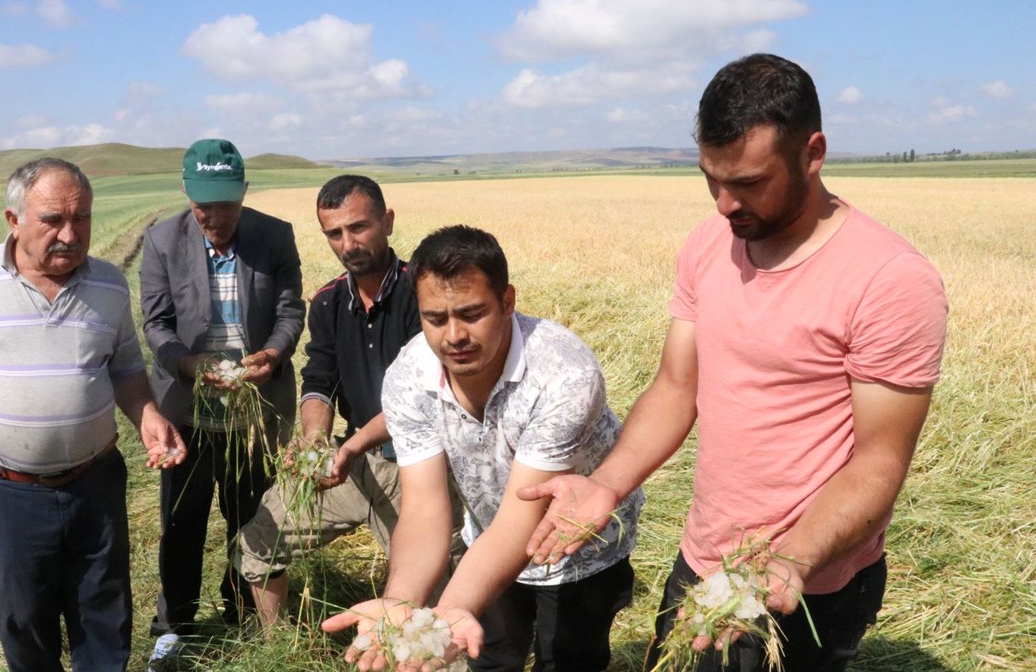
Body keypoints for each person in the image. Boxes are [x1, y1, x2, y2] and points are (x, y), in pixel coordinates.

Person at [520, 53, 949, 672]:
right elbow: (676, 387)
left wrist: (793, 558)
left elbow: (881, 458)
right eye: (710, 179)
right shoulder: (709, 244)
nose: (724, 204)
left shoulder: (890, 280)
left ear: (813, 152)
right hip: (703, 556)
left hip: (805, 585)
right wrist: (606, 485)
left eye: (747, 183)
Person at [0, 157, 187, 671]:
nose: (70, 234)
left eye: (83, 219)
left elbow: (125, 370)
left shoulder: (110, 284)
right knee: (23, 622)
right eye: (53, 219)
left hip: (95, 484)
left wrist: (148, 417)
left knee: (105, 614)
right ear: (13, 220)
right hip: (8, 494)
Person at [322, 225, 644, 672]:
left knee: (570, 660)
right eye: (435, 318)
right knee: (491, 659)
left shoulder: (563, 374)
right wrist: (404, 603)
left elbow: (522, 515)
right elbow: (425, 509)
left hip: (579, 552)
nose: (454, 336)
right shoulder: (410, 376)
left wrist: (448, 609)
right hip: (487, 544)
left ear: (508, 301)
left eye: (472, 314)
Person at [139, 138, 305, 661]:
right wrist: (191, 367)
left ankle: (244, 610)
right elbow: (157, 325)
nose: (215, 216)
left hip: (255, 408)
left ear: (244, 193)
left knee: (251, 514)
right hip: (187, 407)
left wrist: (273, 356)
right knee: (183, 519)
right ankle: (175, 624)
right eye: (204, 204)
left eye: (226, 204)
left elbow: (289, 311)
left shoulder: (274, 236)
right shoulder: (163, 241)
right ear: (187, 194)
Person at [239, 174, 429, 627]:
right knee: (259, 542)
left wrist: (350, 447)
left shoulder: (421, 294)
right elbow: (319, 380)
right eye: (334, 233)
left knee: (427, 601)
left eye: (359, 227)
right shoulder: (327, 303)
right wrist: (315, 443)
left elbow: (420, 399)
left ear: (387, 221)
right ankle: (279, 649)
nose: (348, 244)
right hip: (351, 462)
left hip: (418, 468)